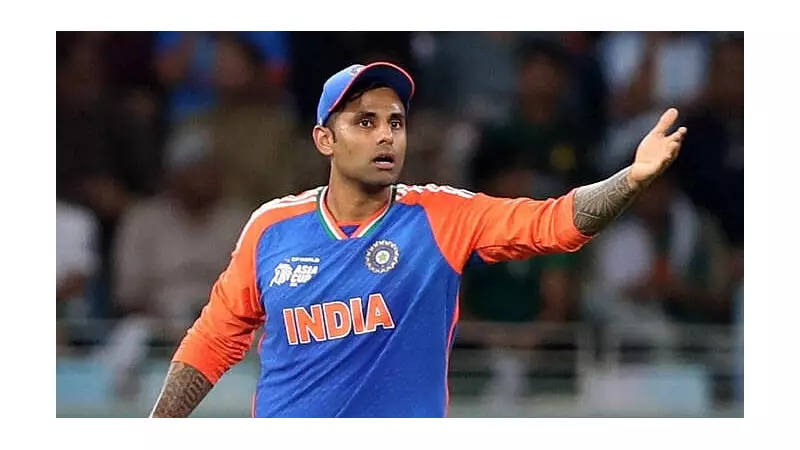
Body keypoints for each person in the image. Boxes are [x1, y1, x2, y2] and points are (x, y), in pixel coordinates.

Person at [149, 61, 688, 418]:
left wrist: (630, 179)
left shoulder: (442, 216)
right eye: (364, 122)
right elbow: (213, 341)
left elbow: (555, 224)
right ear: (324, 139)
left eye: (396, 122)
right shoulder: (272, 228)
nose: (386, 134)